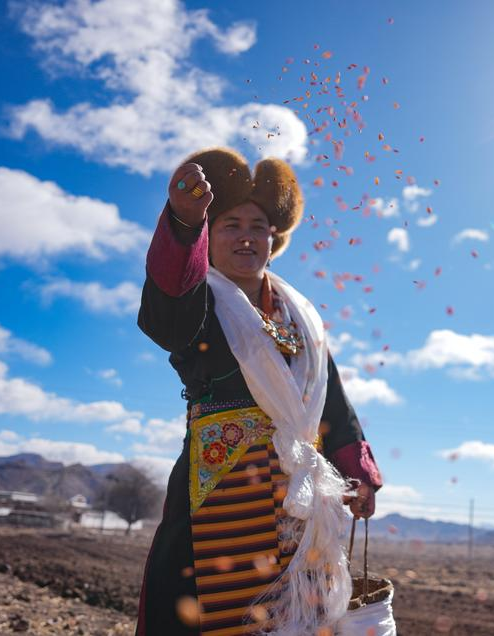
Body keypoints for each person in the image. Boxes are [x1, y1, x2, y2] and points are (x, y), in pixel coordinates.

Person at [135, 147, 382, 636]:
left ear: (275, 237)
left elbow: (329, 398)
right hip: (221, 489)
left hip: (298, 496)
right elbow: (166, 305)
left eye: (258, 226)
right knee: (203, 611)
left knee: (297, 613)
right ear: (209, 234)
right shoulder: (198, 300)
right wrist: (184, 223)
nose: (246, 236)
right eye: (230, 224)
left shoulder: (301, 318)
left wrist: (356, 469)